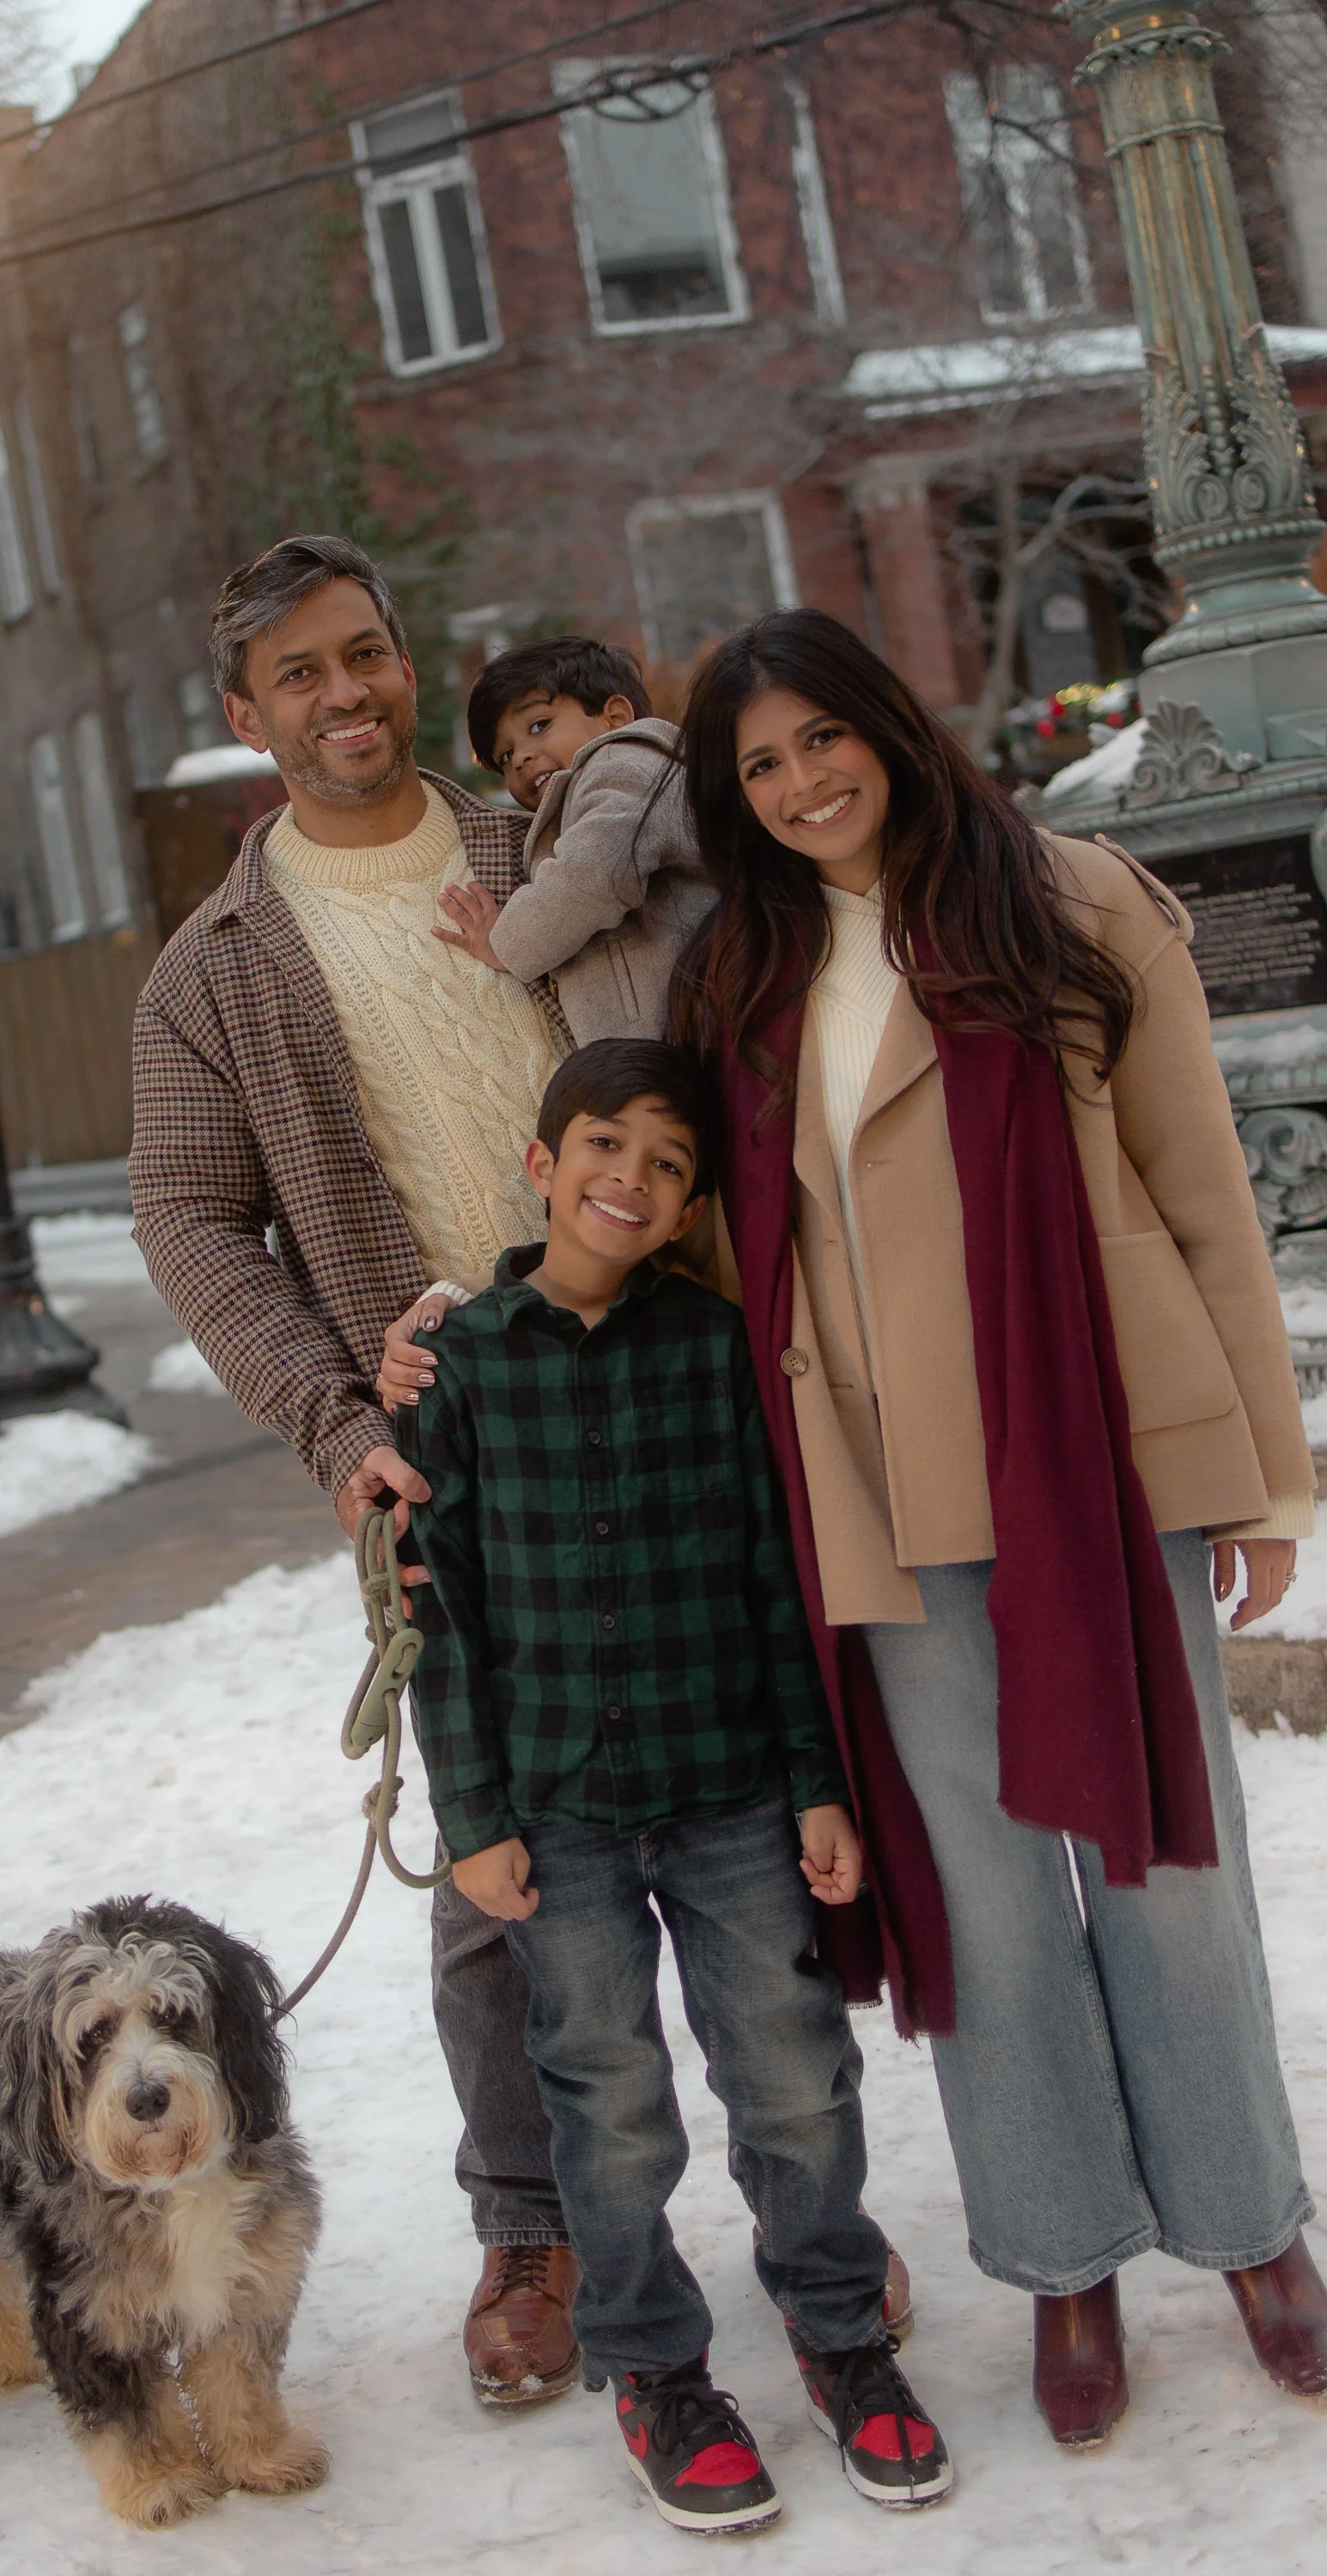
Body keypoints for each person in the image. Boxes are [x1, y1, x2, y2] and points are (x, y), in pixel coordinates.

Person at [666, 605, 1326, 2448]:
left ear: (888, 722)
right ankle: (1063, 2255)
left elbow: (1201, 1191)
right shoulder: (741, 973)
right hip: (878, 1500)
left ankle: (1250, 2228)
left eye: (821, 737)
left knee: (1167, 1867)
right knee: (984, 1897)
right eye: (760, 765)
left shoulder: (1070, 902)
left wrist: (1262, 1476)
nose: (802, 782)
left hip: (1092, 1463)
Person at [129, 534, 586, 2408]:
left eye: (366, 654)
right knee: (492, 1869)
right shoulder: (214, 972)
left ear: (408, 659)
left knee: (739, 1821)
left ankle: (805, 2196)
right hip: (442, 1442)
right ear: (248, 717)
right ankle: (530, 2230)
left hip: (666, 1385)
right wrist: (339, 1425)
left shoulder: (548, 851)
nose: (348, 695)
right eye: (302, 675)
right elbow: (189, 1216)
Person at [393, 1037, 953, 2532]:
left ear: (693, 1203)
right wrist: (475, 1819)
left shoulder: (713, 1350)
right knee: (611, 2100)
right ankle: (653, 2366)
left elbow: (777, 1584)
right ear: (542, 1164)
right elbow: (438, 1611)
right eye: (603, 1146)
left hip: (728, 1792)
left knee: (792, 2076)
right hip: (557, 1812)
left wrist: (814, 1783)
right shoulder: (460, 1366)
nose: (628, 1179)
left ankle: (840, 2331)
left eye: (667, 1163)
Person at [429, 635, 716, 1042]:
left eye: (539, 726)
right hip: (664, 1037)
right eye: (505, 756)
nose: (521, 757)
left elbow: (597, 872)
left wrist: (506, 942)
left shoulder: (625, 764)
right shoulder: (590, 793)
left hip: (692, 1027)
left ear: (614, 717)